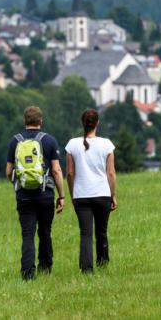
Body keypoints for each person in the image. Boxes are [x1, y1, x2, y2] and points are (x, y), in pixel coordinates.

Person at [6, 106, 65, 280]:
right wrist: (61, 196)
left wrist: (16, 184)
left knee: (27, 234)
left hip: (24, 196)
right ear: (41, 121)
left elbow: (9, 171)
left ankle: (27, 273)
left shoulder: (14, 141)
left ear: (25, 121)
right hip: (45, 195)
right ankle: (45, 268)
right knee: (45, 232)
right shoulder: (49, 141)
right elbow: (56, 171)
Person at [65, 108, 117, 273]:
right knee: (101, 231)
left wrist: (73, 193)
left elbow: (70, 173)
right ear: (97, 123)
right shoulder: (106, 144)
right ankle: (103, 263)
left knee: (85, 233)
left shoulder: (72, 145)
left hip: (81, 195)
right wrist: (113, 195)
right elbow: (111, 173)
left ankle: (86, 269)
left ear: (82, 123)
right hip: (102, 194)